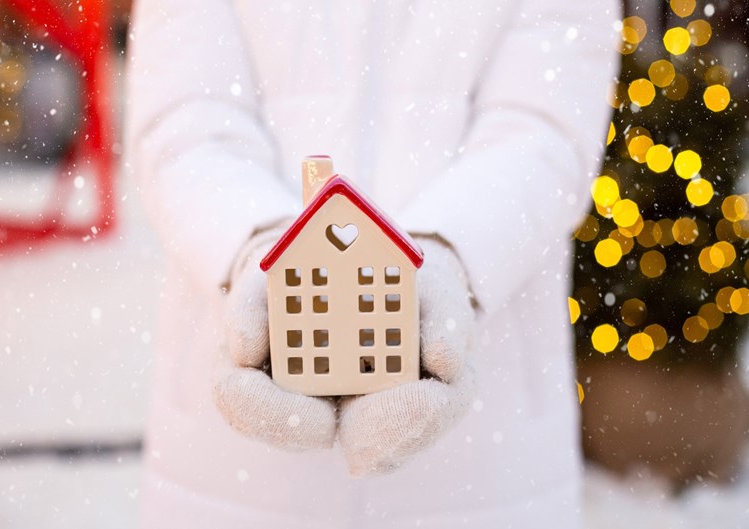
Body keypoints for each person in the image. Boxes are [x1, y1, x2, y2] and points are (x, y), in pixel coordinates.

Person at [125, 1, 618, 527]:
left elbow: (544, 134)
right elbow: (184, 126)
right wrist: (258, 246)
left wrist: (447, 257)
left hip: (486, 466)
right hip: (231, 479)